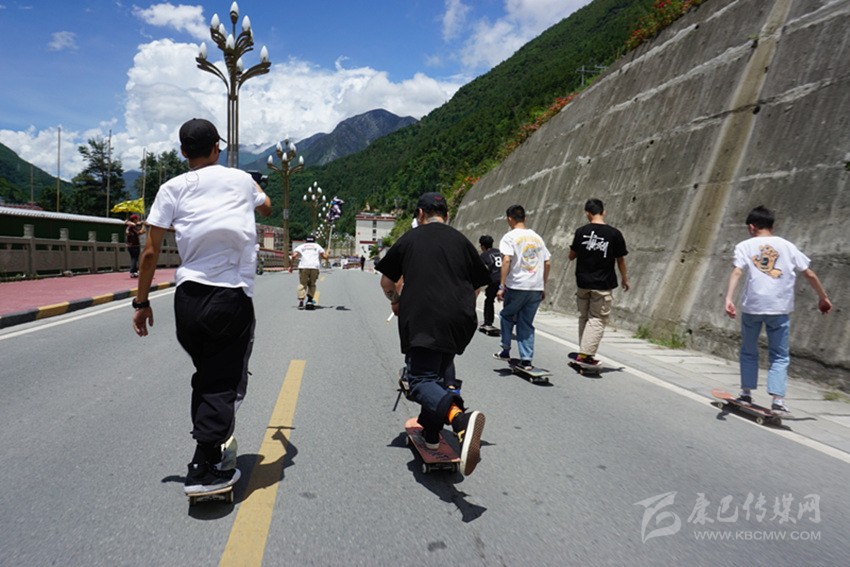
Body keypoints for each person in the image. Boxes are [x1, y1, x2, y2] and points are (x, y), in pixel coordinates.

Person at [132, 118, 272, 496]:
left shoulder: (170, 188)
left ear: (183, 152)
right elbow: (267, 207)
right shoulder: (241, 180)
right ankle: (204, 465)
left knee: (208, 375)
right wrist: (255, 185)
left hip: (187, 301)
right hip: (230, 296)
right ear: (217, 148)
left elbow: (150, 252)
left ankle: (208, 441)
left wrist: (141, 302)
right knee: (224, 381)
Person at [377, 192, 490, 476]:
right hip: (459, 320)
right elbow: (478, 283)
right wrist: (459, 306)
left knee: (419, 380)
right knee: (436, 376)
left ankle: (460, 419)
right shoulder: (461, 241)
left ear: (419, 214)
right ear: (447, 215)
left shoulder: (410, 239)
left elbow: (387, 281)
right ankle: (430, 432)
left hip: (424, 318)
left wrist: (395, 301)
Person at [724, 205, 831, 414]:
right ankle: (778, 401)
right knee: (780, 355)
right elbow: (808, 273)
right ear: (771, 225)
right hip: (779, 309)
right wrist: (823, 297)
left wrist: (729, 298)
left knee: (748, 351)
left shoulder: (744, 246)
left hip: (753, 308)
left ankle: (745, 394)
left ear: (752, 227)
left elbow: (737, 271)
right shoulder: (788, 246)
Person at [567, 198, 630, 367]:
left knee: (585, 318)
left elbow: (571, 256)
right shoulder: (614, 234)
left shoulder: (581, 232)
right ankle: (585, 355)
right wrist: (624, 278)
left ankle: (584, 352)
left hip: (583, 283)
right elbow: (620, 260)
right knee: (597, 319)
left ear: (587, 213)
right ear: (603, 212)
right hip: (602, 284)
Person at [494, 205, 551, 371]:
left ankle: (505, 349)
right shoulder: (537, 237)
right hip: (535, 287)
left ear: (509, 219)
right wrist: (543, 285)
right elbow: (547, 262)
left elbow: (506, 260)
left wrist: (501, 285)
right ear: (525, 218)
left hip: (517, 285)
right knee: (526, 322)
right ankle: (526, 359)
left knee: (506, 315)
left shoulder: (509, 237)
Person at [291, 234, 329, 309]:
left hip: (304, 266)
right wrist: (327, 253)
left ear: (306, 240)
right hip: (314, 267)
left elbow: (293, 256)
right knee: (312, 284)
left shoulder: (301, 246)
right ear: (314, 240)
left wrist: (291, 266)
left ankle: (301, 301)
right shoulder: (317, 246)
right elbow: (325, 257)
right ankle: (309, 300)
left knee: (302, 284)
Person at [478, 235, 502, 333]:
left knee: (489, 300)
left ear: (482, 246)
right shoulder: (499, 252)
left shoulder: (484, 255)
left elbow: (483, 270)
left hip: (494, 279)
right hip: (506, 278)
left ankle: (488, 322)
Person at [125, 213, 145, 278]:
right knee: (134, 258)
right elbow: (140, 232)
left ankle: (135, 271)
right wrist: (144, 225)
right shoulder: (132, 227)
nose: (137, 220)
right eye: (137, 219)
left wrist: (140, 223)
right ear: (134, 219)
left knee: (134, 258)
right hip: (134, 245)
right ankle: (132, 272)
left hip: (129, 245)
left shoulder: (129, 226)